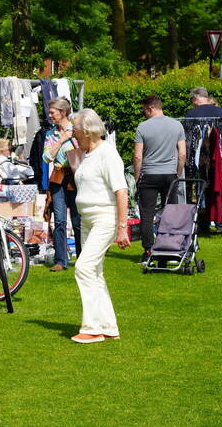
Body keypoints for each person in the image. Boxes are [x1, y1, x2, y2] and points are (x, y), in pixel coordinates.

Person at [69, 109, 130, 344]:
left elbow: (121, 192)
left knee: (83, 267)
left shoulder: (108, 154)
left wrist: (121, 227)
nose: (72, 133)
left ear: (86, 131)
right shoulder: (86, 154)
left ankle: (92, 328)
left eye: (75, 129)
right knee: (94, 272)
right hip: (87, 219)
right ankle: (108, 326)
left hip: (104, 218)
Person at [133, 95, 186, 260]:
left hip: (149, 175)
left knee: (147, 213)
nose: (144, 114)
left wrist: (136, 177)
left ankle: (148, 249)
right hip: (170, 175)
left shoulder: (142, 127)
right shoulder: (177, 125)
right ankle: (171, 246)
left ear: (150, 108)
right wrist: (177, 173)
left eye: (145, 111)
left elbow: (137, 157)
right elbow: (182, 153)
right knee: (171, 212)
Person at [42, 97, 82, 271]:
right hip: (58, 178)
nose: (49, 115)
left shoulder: (78, 130)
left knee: (77, 220)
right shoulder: (51, 134)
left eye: (53, 112)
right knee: (59, 220)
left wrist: (70, 137)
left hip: (75, 178)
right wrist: (61, 140)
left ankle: (82, 258)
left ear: (63, 112)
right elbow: (46, 157)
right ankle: (60, 260)